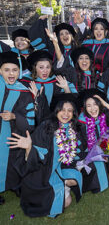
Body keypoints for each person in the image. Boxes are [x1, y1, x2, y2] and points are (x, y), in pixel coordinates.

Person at [8, 94, 84, 217]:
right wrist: (29, 148)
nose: (66, 114)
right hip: (42, 172)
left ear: (74, 113)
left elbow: (76, 151)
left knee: (75, 179)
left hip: (59, 169)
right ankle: (54, 189)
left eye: (70, 110)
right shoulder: (46, 126)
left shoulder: (72, 129)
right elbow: (38, 153)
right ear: (56, 111)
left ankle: (62, 184)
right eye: (62, 110)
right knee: (66, 202)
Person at [0, 51, 35, 205]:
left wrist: (15, 117)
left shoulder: (24, 92)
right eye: (6, 70)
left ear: (19, 71)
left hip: (12, 135)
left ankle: (15, 185)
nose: (11, 73)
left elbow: (30, 122)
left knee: (12, 162)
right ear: (0, 71)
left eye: (14, 70)